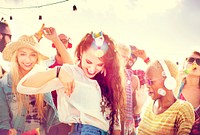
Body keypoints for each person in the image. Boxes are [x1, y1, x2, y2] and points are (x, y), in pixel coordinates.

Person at [17, 30, 126, 134]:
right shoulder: (70, 72)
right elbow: (23, 86)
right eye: (88, 62)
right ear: (82, 52)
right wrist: (57, 71)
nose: (92, 69)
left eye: (99, 64)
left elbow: (112, 119)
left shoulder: (105, 80)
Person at [0, 32, 65, 134]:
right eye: (22, 54)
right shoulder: (4, 84)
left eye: (33, 55)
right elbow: (3, 123)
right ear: (16, 56)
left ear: (37, 58)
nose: (28, 59)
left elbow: (70, 69)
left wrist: (56, 40)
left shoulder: (44, 75)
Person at [138, 59, 195, 134]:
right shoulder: (149, 105)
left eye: (150, 81)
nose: (147, 85)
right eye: (146, 81)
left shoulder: (183, 109)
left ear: (168, 81)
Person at [117, 43, 147, 135]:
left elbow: (159, 77)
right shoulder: (105, 72)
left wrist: (146, 59)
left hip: (127, 127)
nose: (130, 58)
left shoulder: (136, 76)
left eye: (134, 56)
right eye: (128, 55)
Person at [177, 51, 200, 135]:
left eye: (199, 61)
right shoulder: (176, 86)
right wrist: (177, 81)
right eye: (191, 60)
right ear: (185, 63)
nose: (194, 63)